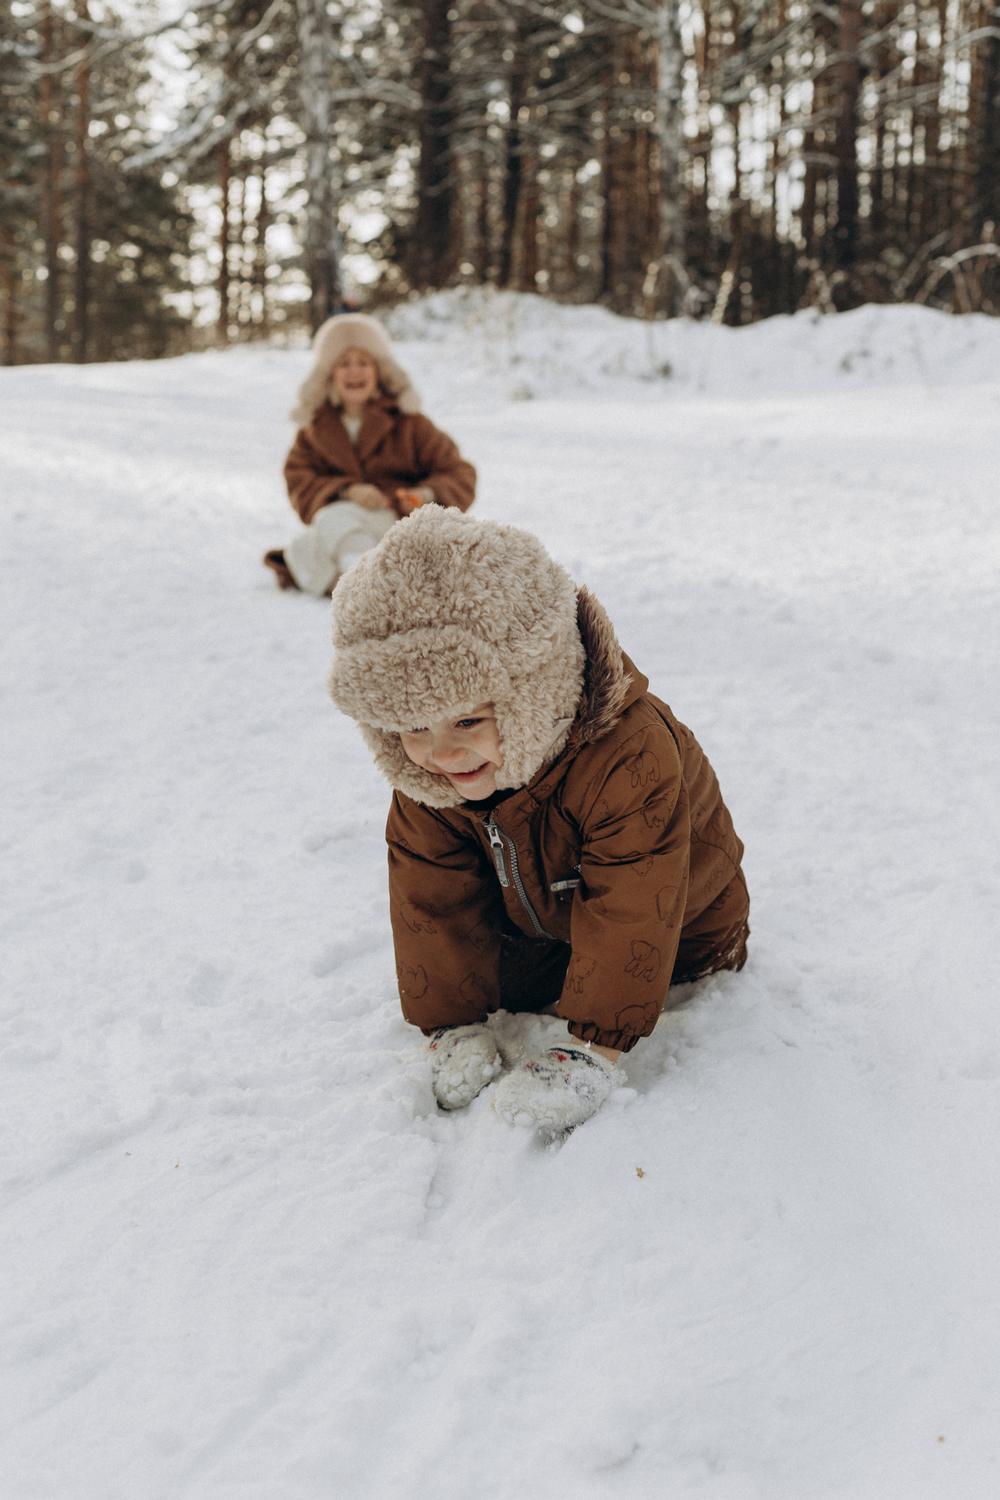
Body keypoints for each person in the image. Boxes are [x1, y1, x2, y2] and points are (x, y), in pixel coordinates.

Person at [329, 507, 749, 1133]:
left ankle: (600, 1036)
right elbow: (431, 895)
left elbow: (637, 895)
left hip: (681, 927)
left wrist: (594, 1045)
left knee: (662, 942)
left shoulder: (628, 755)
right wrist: (453, 1022)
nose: (442, 753)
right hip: (542, 925)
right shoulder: (435, 780)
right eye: (414, 727)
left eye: (467, 720)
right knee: (491, 956)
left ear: (533, 692)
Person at [264, 313, 476, 595]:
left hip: (399, 523)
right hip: (344, 525)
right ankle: (376, 581)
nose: (355, 371)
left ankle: (364, 584)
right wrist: (346, 491)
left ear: (379, 372)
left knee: (328, 523)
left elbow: (459, 471)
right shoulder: (313, 431)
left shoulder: (410, 423)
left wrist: (424, 495)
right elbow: (299, 480)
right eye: (344, 364)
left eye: (363, 362)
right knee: (303, 546)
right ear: (329, 375)